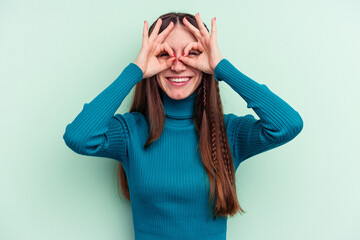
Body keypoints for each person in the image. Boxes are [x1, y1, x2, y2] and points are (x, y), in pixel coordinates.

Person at [63, 12, 303, 240]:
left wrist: (221, 67)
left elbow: (287, 124)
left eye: (192, 53)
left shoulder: (228, 132)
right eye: (165, 54)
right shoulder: (130, 132)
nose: (178, 65)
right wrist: (136, 71)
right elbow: (79, 137)